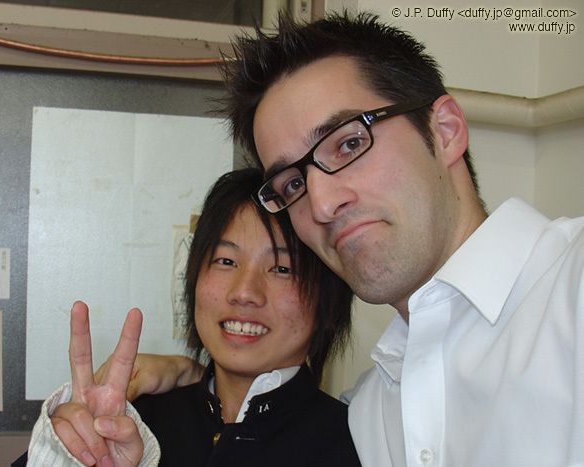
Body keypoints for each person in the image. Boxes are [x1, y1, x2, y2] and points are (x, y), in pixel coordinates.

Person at [127, 11, 584, 467]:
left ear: (445, 131)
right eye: (292, 184)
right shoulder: (372, 413)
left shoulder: (570, 290)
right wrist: (190, 381)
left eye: (348, 143)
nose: (322, 204)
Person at [24, 168, 360, 466]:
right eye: (226, 261)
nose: (244, 292)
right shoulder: (130, 421)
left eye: (282, 269)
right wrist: (72, 456)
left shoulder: (359, 445)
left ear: (329, 301)